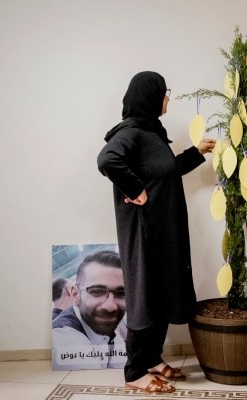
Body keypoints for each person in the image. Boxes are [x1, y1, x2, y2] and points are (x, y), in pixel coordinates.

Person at [97, 71, 215, 393]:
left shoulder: (152, 132)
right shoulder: (131, 131)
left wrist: (197, 151)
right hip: (145, 231)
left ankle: (151, 358)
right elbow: (108, 159)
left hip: (164, 230)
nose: (168, 98)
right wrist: (136, 190)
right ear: (149, 97)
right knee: (145, 294)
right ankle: (135, 371)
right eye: (164, 93)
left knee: (162, 289)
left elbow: (166, 170)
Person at [52, 250, 127, 370]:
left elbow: (122, 365)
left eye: (121, 293)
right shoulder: (63, 336)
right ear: (75, 293)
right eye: (97, 291)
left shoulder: (106, 330)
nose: (111, 306)